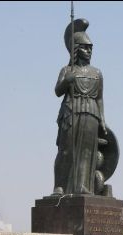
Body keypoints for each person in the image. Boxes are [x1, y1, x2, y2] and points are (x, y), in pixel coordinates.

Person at [53, 18, 107, 195]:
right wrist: (66, 81)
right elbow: (57, 91)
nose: (89, 51)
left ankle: (82, 185)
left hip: (90, 113)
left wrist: (103, 120)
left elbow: (99, 98)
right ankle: (59, 187)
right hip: (71, 112)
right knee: (67, 151)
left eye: (91, 48)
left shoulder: (97, 73)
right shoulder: (67, 70)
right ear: (76, 49)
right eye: (85, 47)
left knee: (86, 153)